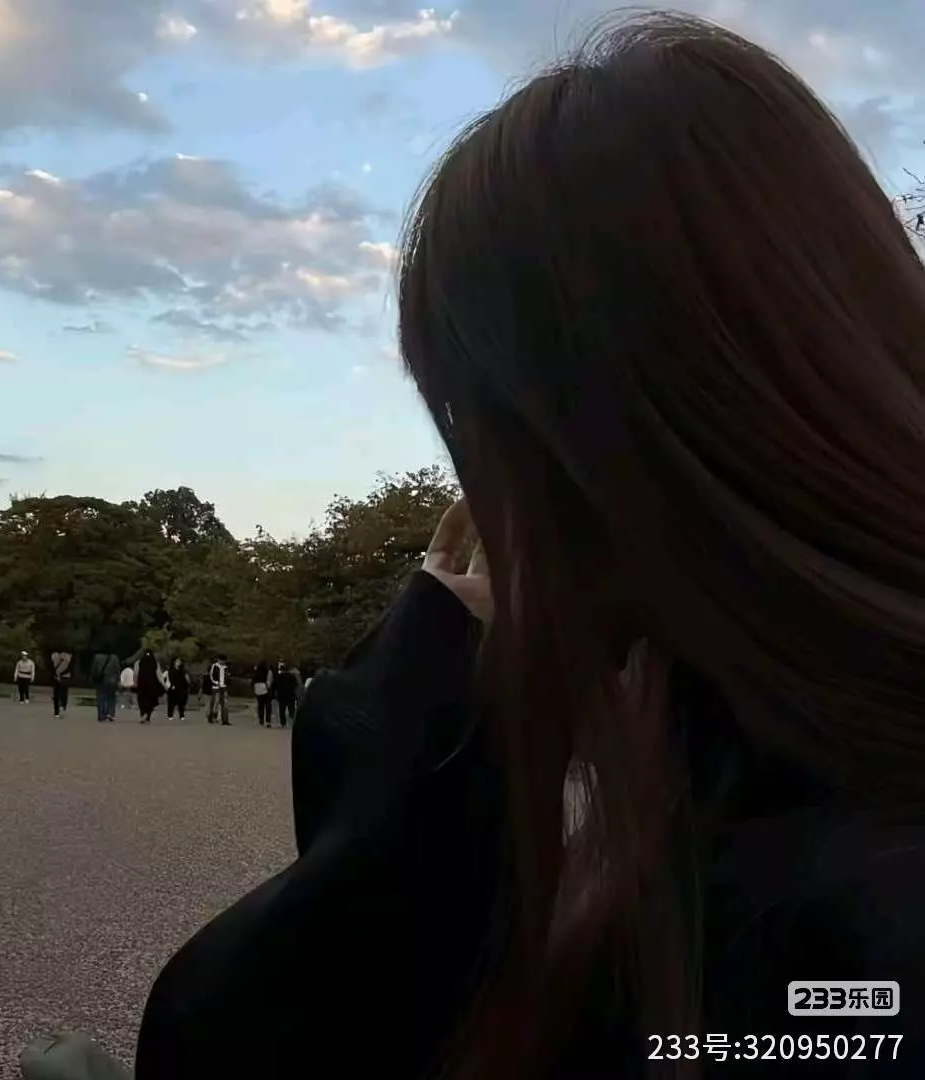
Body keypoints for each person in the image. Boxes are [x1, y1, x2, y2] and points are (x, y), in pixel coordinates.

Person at [133, 13, 925, 1080]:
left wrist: (414, 746)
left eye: (472, 426)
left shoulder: (827, 915)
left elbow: (233, 1039)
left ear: (572, 451)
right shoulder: (760, 776)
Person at [89, 650, 120, 723]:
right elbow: (117, 670)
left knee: (100, 698)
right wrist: (117, 679)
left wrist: (92, 678)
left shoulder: (97, 657)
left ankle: (101, 715)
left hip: (100, 680)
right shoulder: (114, 657)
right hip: (111, 680)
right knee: (111, 697)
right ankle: (110, 713)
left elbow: (94, 668)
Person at [135, 650, 163, 724]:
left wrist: (135, 682)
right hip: (152, 685)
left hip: (142, 684)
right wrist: (164, 684)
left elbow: (136, 673)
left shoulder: (139, 662)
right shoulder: (155, 663)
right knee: (150, 700)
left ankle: (142, 714)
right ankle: (148, 716)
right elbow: (159, 675)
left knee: (142, 700)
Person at [272, 661, 298, 729]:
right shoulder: (292, 676)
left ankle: (283, 723)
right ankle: (293, 722)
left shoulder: (279, 677)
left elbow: (275, 685)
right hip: (291, 694)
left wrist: (275, 693)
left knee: (282, 710)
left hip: (282, 694)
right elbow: (296, 685)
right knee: (291, 709)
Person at [207, 654, 230, 725]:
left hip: (224, 686)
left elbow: (227, 676)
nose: (222, 662)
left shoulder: (226, 667)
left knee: (225, 703)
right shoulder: (214, 666)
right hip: (216, 687)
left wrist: (226, 683)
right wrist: (216, 682)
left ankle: (225, 720)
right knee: (216, 702)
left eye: (223, 661)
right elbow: (211, 676)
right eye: (221, 660)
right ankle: (212, 716)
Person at [252, 659, 274, 727]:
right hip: (265, 689)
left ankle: (261, 720)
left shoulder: (256, 672)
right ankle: (268, 721)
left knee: (260, 705)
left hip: (258, 689)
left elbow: (253, 681)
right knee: (268, 706)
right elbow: (269, 681)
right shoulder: (268, 672)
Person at [50, 648, 72, 717]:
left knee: (56, 694)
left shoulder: (54, 657)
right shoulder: (68, 658)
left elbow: (51, 667)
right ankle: (63, 704)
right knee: (63, 692)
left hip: (57, 676)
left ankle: (57, 711)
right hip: (65, 676)